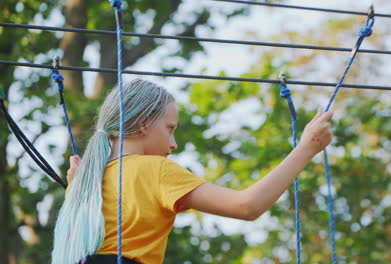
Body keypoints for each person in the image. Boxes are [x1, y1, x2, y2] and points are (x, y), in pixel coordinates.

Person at [52, 79, 333, 264]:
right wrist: (306, 148)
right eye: (169, 129)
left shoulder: (84, 183)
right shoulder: (154, 170)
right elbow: (247, 206)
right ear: (143, 124)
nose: (173, 144)